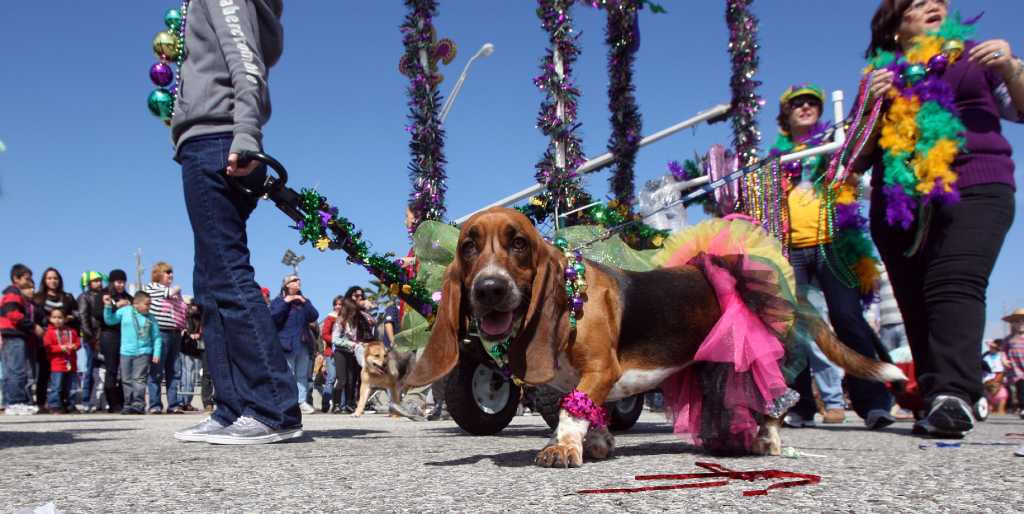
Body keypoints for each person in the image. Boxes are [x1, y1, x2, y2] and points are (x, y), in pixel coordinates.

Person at [855, 0, 1024, 437]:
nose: (933, 3)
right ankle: (936, 396)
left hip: (974, 185)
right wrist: (872, 106)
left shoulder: (976, 56)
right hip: (899, 203)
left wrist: (1011, 68)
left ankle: (955, 393)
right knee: (914, 299)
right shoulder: (879, 78)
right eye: (916, 1)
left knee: (954, 282)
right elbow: (854, 158)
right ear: (895, 29)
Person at [770, 83, 895, 430]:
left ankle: (873, 403)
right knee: (793, 329)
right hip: (792, 250)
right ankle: (800, 404)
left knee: (847, 319)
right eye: (798, 103)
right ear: (786, 113)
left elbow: (862, 180)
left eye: (812, 103)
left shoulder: (838, 145)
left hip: (832, 245)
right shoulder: (777, 157)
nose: (806, 107)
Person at [105, 292, 162, 415]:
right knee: (126, 379)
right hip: (126, 352)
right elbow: (110, 320)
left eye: (150, 304)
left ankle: (138, 405)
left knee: (139, 379)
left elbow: (157, 337)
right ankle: (128, 404)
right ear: (136, 304)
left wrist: (156, 352)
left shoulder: (151, 318)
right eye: (147, 304)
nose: (149, 307)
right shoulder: (125, 311)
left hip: (143, 352)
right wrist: (108, 307)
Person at [270, 275, 319, 415]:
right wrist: (286, 301)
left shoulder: (303, 301)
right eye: (294, 280)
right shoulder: (278, 301)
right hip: (287, 343)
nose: (298, 282)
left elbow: (314, 316)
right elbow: (273, 317)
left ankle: (301, 401)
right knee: (288, 374)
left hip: (303, 343)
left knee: (302, 375)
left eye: (298, 280)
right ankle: (287, 402)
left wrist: (304, 302)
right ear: (286, 284)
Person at [33, 268, 80, 411]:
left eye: (55, 278)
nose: (52, 281)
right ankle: (42, 403)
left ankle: (66, 404)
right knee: (43, 373)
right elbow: (34, 317)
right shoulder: (38, 297)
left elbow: (77, 315)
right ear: (44, 280)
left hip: (65, 340)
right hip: (45, 339)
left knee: (66, 376)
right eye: (49, 278)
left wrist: (71, 318)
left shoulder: (67, 297)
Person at [144, 262, 187, 414]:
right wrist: (176, 289)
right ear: (158, 274)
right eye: (167, 272)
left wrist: (183, 326)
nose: (170, 275)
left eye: (171, 272)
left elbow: (182, 308)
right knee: (156, 370)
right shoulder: (152, 287)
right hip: (159, 333)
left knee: (174, 370)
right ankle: (155, 404)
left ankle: (173, 404)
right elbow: (166, 294)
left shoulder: (174, 292)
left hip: (175, 333)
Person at [2, 264, 40, 415]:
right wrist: (33, 326)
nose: (29, 281)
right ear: (16, 279)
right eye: (27, 278)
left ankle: (11, 402)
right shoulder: (13, 294)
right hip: (13, 334)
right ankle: (15, 402)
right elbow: (13, 314)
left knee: (11, 371)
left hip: (11, 335)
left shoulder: (14, 293)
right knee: (17, 370)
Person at [98, 269, 132, 413]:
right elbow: (96, 313)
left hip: (125, 336)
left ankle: (123, 401)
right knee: (111, 369)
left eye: (123, 282)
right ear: (112, 282)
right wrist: (115, 305)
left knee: (124, 371)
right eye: (118, 282)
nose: (121, 285)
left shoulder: (128, 297)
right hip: (109, 335)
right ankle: (113, 403)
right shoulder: (103, 294)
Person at [75, 270, 104, 412]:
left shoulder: (104, 295)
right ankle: (86, 400)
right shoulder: (84, 297)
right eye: (95, 280)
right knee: (90, 368)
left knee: (102, 371)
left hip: (102, 337)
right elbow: (83, 317)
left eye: (100, 280)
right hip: (90, 339)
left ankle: (99, 401)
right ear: (88, 283)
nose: (99, 283)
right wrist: (91, 337)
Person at [43, 309, 80, 414]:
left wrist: (75, 346)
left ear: (65, 319)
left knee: (72, 387)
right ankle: (54, 405)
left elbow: (78, 342)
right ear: (50, 319)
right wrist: (60, 348)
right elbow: (48, 347)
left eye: (60, 318)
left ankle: (70, 405)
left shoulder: (71, 331)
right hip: (57, 364)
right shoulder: (49, 332)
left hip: (71, 363)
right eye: (54, 317)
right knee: (57, 386)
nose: (57, 320)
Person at [318, 295, 343, 413]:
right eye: (336, 304)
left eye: (340, 304)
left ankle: (340, 405)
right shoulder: (330, 317)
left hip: (344, 352)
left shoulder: (346, 318)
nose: (338, 306)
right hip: (331, 353)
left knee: (342, 379)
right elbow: (324, 334)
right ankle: (325, 404)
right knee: (331, 378)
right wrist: (335, 340)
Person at [982, 339, 1007, 416]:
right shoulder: (986, 355)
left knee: (1000, 394)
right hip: (986, 377)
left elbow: (1004, 363)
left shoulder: (1001, 355)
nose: (991, 347)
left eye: (993, 347)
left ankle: (1000, 410)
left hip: (998, 376)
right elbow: (987, 342)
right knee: (987, 392)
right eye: (990, 346)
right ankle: (988, 408)